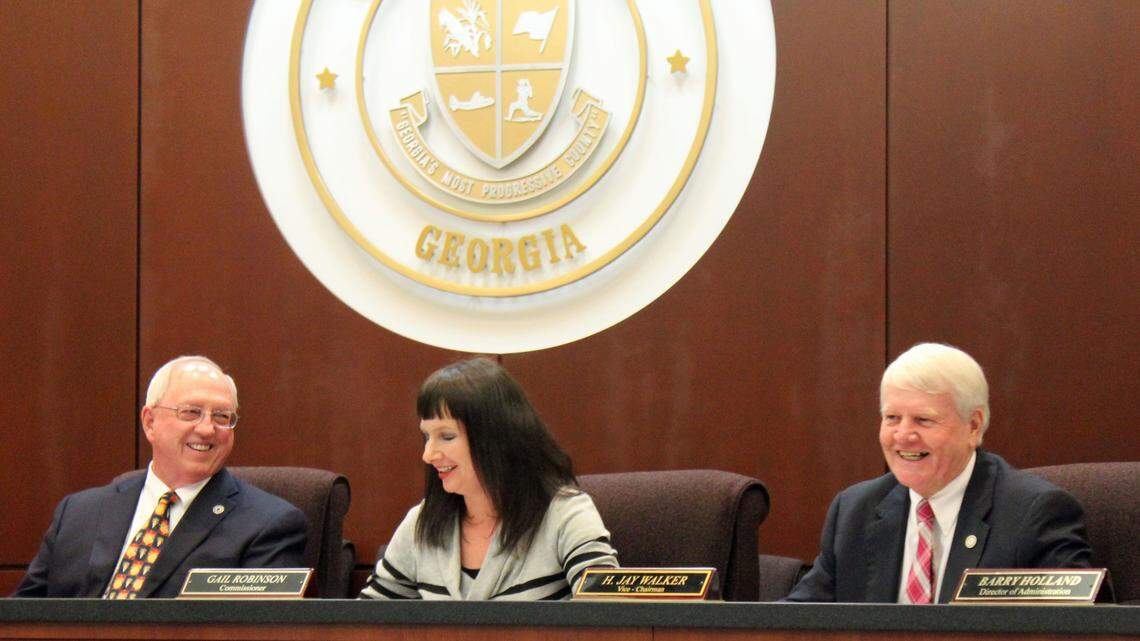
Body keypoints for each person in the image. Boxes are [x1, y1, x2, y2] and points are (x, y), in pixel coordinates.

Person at [785, 343, 1090, 603]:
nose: (903, 435)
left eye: (923, 420)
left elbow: (1077, 629)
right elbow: (798, 623)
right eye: (892, 418)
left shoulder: (1033, 514)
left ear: (973, 426)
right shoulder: (855, 510)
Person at [14, 356, 307, 598]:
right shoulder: (78, 513)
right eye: (191, 412)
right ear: (150, 422)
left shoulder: (269, 525)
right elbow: (21, 621)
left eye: (222, 416)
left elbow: (257, 631)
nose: (207, 429)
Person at [359, 357, 618, 600]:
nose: (428, 455)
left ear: (496, 438)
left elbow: (608, 612)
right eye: (427, 436)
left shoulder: (565, 514)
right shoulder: (421, 522)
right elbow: (365, 621)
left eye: (446, 436)